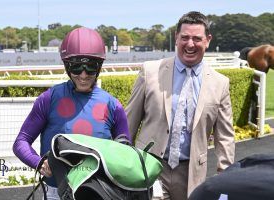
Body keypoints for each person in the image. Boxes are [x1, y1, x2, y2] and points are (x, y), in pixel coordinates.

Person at [125, 11, 235, 200]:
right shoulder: (149, 72)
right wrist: (123, 166)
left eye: (196, 38)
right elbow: (128, 124)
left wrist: (225, 179)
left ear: (208, 40)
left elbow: (225, 137)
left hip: (191, 173)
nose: (190, 44)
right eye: (184, 37)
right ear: (176, 38)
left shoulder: (220, 83)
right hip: (150, 169)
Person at [13, 27, 131, 200]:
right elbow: (21, 142)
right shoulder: (49, 99)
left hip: (99, 191)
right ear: (67, 66)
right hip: (57, 191)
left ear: (99, 67)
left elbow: (125, 152)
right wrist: (39, 163)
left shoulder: (113, 106)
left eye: (90, 67)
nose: (83, 75)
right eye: (76, 67)